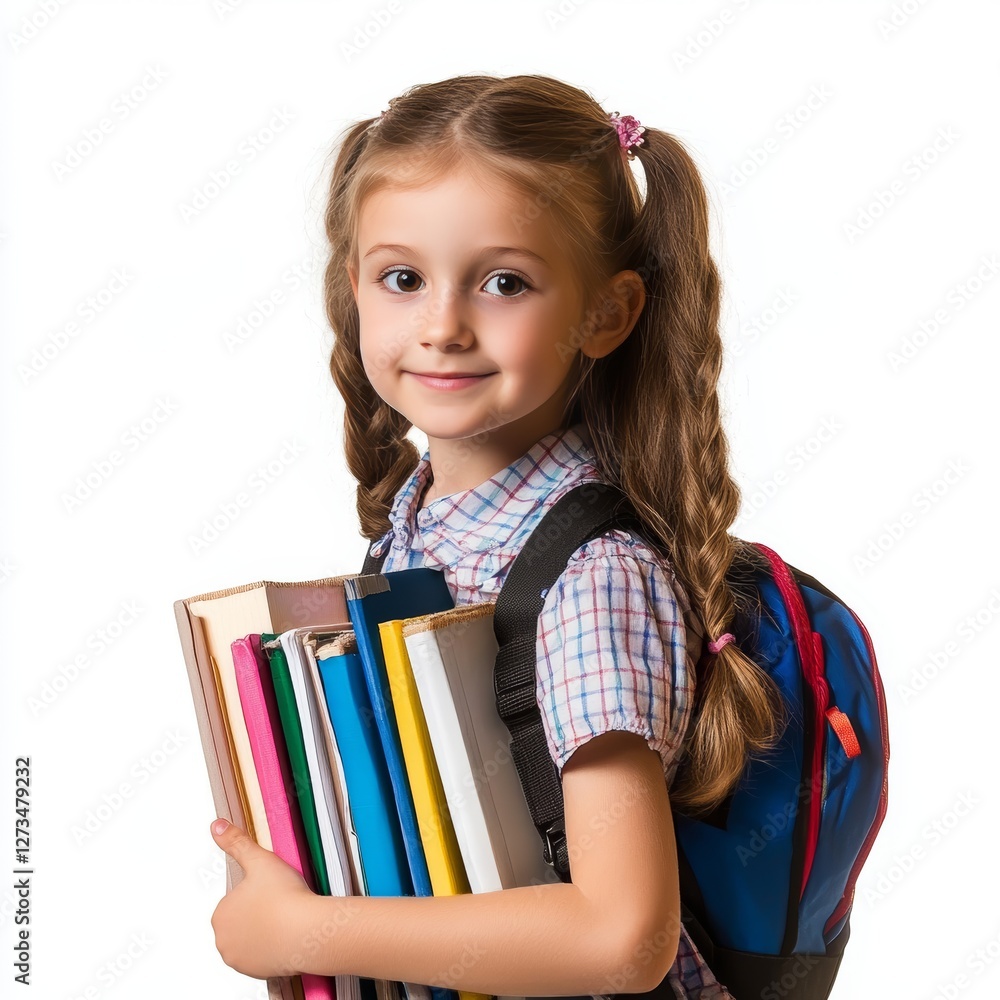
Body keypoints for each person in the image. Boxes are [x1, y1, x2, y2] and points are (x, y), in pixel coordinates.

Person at [208, 73, 786, 999]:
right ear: (353, 288)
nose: (441, 325)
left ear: (607, 313)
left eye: (504, 282)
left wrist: (309, 931)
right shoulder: (419, 531)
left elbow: (621, 936)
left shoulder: (591, 577)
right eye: (403, 278)